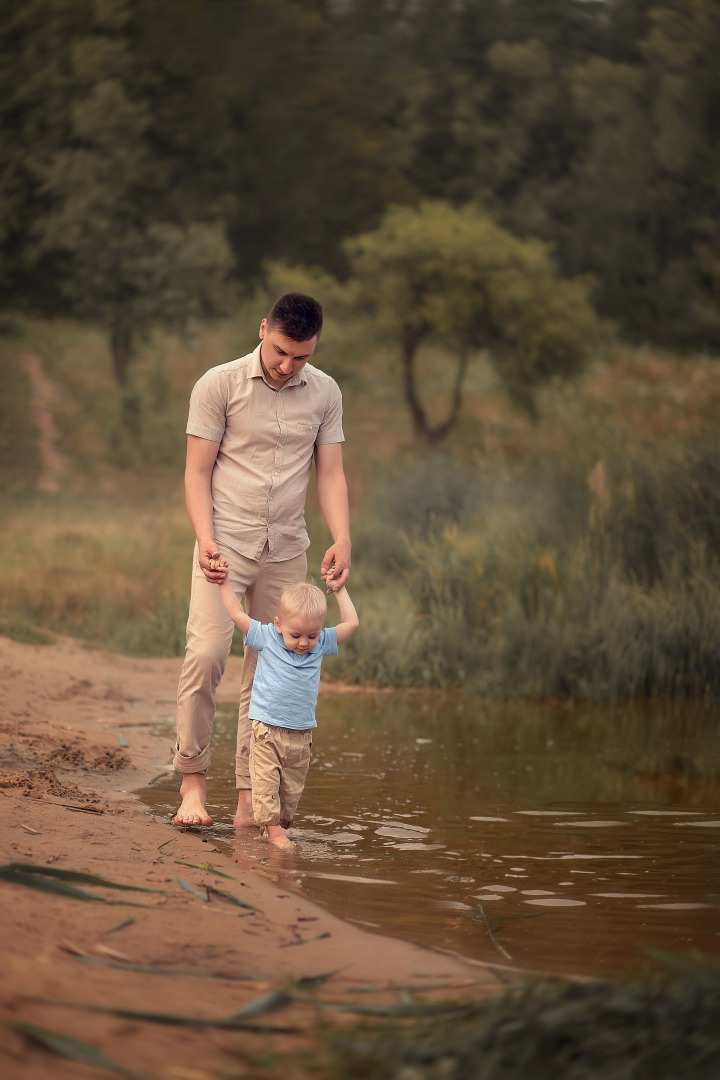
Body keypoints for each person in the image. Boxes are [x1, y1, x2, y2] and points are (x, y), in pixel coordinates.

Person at [173, 292, 351, 829]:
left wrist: (342, 536)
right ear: (262, 330)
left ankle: (251, 797)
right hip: (224, 547)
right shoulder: (218, 384)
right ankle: (192, 784)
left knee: (269, 676)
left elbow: (331, 474)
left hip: (287, 549)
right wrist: (205, 539)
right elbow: (196, 473)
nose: (287, 365)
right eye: (280, 351)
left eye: (301, 355)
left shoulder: (325, 392)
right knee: (206, 656)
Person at [213, 567, 359, 847]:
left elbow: (351, 623)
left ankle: (278, 827)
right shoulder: (267, 637)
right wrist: (225, 583)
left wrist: (339, 590)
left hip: (301, 736)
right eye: (296, 635)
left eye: (311, 636)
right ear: (279, 624)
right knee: (266, 785)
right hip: (267, 730)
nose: (304, 643)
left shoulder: (320, 645)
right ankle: (275, 834)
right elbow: (236, 614)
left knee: (290, 793)